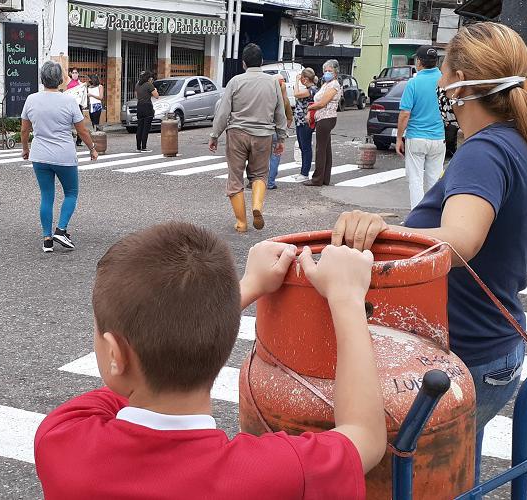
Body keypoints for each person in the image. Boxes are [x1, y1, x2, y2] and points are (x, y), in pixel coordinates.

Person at [327, 22, 527, 483]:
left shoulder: (483, 151)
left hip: (467, 356)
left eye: (444, 70)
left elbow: (461, 240)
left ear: (459, 78)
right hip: (491, 348)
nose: (440, 83)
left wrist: (383, 229)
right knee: (456, 474)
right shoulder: (512, 141)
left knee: (411, 479)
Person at [34, 222, 387, 497]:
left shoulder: (62, 439)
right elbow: (365, 436)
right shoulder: (275, 474)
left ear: (114, 352)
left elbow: (133, 376)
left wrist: (247, 287)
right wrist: (346, 297)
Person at [21, 61, 99, 253]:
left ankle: (47, 239)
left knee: (47, 196)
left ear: (42, 79)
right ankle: (61, 230)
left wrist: (25, 149)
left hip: (40, 155)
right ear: (60, 80)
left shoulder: (31, 99)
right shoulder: (69, 101)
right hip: (64, 155)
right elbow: (82, 131)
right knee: (71, 193)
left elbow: (24, 130)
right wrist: (92, 148)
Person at [208, 44, 287, 233]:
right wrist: (281, 137)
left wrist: (214, 135)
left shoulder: (235, 82)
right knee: (260, 174)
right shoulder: (272, 82)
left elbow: (223, 111)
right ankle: (257, 206)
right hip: (263, 135)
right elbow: (280, 112)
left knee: (235, 177)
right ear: (261, 62)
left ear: (243, 63)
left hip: (237, 134)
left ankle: (241, 222)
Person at [399, 46, 447, 208]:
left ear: (419, 62)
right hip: (439, 138)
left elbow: (405, 113)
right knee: (434, 180)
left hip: (417, 136)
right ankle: (434, 215)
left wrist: (399, 137)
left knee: (416, 180)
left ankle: (417, 217)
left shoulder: (413, 82)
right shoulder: (444, 80)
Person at [304, 60, 343, 186]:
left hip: (326, 118)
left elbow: (322, 103)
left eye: (330, 71)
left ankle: (317, 178)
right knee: (326, 148)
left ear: (335, 72)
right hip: (322, 117)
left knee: (320, 149)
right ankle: (325, 178)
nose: (327, 73)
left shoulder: (334, 85)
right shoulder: (326, 84)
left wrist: (309, 108)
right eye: (325, 70)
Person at [286, 68, 318, 182]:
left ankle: (305, 173)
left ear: (305, 79)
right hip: (300, 120)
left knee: (306, 147)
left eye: (301, 78)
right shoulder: (309, 88)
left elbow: (296, 94)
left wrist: (296, 81)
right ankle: (302, 172)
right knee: (302, 146)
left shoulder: (312, 89)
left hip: (306, 121)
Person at [266, 72, 294, 190]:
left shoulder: (266, 97)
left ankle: (257, 181)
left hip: (264, 131)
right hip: (277, 132)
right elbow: (289, 118)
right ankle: (270, 182)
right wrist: (284, 129)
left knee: (260, 158)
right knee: (275, 157)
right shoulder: (285, 99)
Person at [134, 72, 159, 152]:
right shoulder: (149, 84)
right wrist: (155, 89)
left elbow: (136, 96)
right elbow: (156, 96)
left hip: (139, 106)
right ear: (149, 78)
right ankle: (144, 147)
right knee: (146, 128)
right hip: (147, 107)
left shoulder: (138, 84)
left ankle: (138, 147)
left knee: (140, 127)